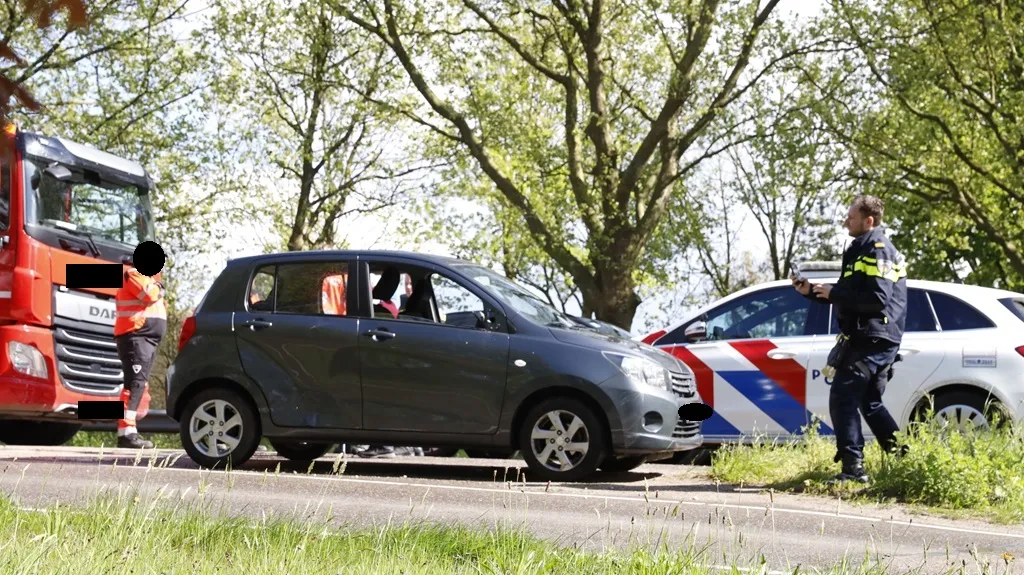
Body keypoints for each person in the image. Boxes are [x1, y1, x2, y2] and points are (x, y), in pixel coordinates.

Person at [792, 195, 908, 483]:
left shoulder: (878, 250)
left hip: (874, 339)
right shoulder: (861, 248)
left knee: (843, 397)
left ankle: (853, 469)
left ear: (868, 221)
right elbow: (850, 297)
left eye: (851, 217)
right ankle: (903, 459)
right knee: (870, 402)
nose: (846, 221)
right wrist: (812, 291)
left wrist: (836, 293)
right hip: (869, 336)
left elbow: (877, 299)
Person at [113, 266, 167, 449]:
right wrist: (159, 288)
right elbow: (150, 295)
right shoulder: (134, 274)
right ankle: (126, 432)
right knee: (134, 383)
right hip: (136, 336)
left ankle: (127, 432)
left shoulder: (149, 278)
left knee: (139, 384)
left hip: (147, 339)